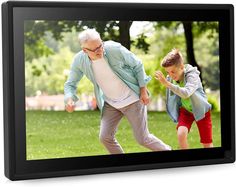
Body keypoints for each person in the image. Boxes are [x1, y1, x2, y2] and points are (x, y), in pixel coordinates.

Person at [64, 28, 171, 154]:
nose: (100, 51)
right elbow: (70, 84)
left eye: (100, 46)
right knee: (105, 138)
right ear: (84, 50)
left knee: (143, 139)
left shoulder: (114, 49)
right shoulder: (79, 60)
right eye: (95, 50)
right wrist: (69, 99)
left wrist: (143, 90)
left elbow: (137, 65)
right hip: (111, 103)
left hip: (132, 99)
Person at [155, 48, 213, 149]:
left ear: (181, 67)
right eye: (168, 72)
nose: (170, 75)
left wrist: (168, 84)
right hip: (186, 111)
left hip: (201, 111)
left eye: (173, 71)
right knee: (181, 134)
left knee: (206, 143)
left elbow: (186, 93)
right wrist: (169, 83)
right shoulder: (170, 79)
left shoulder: (192, 75)